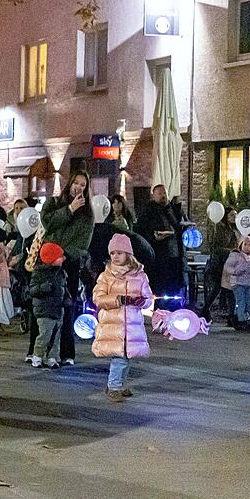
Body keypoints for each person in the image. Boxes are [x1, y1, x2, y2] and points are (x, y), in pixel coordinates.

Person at [41, 170, 94, 366]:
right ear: (69, 183)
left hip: (69, 264)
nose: (78, 187)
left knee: (67, 306)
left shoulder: (87, 214)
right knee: (46, 308)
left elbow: (83, 243)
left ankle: (67, 352)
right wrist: (69, 209)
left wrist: (65, 254)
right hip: (48, 262)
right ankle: (41, 350)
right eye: (76, 183)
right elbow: (48, 224)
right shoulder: (54, 204)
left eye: (82, 184)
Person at [91, 233, 153, 402]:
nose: (115, 256)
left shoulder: (140, 276)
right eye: (112, 253)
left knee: (127, 357)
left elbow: (148, 300)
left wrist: (142, 301)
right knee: (120, 358)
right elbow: (98, 298)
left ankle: (120, 384)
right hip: (114, 325)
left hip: (132, 326)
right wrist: (117, 300)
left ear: (128, 254)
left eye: (119, 252)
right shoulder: (106, 276)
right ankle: (114, 386)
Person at [134, 184, 185, 309]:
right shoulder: (148, 211)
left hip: (175, 254)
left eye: (164, 193)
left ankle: (173, 311)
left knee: (173, 286)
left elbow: (180, 226)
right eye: (160, 193)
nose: (163, 196)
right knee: (160, 288)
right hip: (159, 255)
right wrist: (154, 237)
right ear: (154, 195)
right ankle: (159, 312)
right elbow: (140, 232)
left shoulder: (174, 210)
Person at [29, 243, 67, 369]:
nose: (63, 258)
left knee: (56, 336)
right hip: (44, 309)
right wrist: (42, 288)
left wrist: (67, 298)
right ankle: (37, 355)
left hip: (57, 308)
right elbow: (32, 290)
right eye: (60, 256)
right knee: (45, 334)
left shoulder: (61, 273)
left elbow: (63, 288)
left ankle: (52, 357)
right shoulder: (39, 273)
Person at [203, 207, 238, 320]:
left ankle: (232, 315)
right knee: (218, 288)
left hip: (228, 263)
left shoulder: (232, 229)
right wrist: (231, 251)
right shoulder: (220, 229)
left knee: (228, 289)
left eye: (235, 215)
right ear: (226, 216)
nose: (234, 217)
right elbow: (217, 247)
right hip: (219, 264)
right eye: (232, 215)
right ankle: (206, 309)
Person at [222, 236, 250, 330]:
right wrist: (237, 271)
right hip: (238, 282)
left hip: (247, 283)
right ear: (241, 245)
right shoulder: (235, 255)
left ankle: (244, 317)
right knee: (241, 302)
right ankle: (241, 320)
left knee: (249, 302)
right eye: (245, 244)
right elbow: (228, 267)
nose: (247, 247)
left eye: (249, 245)